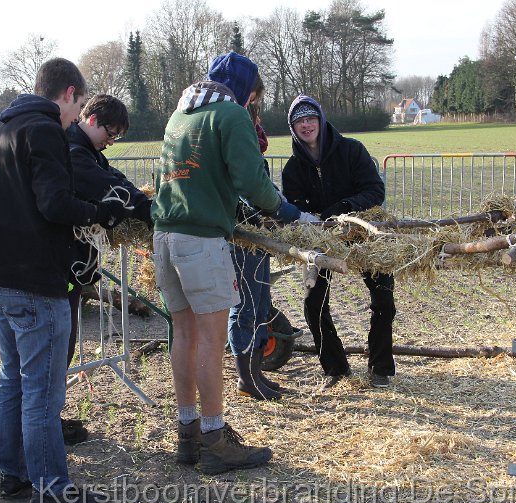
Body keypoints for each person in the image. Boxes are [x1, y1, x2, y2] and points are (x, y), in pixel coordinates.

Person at [0, 58, 128, 503]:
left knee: (15, 382)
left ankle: (14, 472)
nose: (75, 113)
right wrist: (100, 212)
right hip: (33, 280)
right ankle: (51, 485)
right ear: (68, 94)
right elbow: (54, 203)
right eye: (78, 102)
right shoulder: (43, 131)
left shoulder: (2, 131)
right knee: (42, 388)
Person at [152, 51, 303, 475]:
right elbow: (251, 181)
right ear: (246, 90)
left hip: (164, 234)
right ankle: (216, 441)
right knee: (211, 341)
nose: (254, 103)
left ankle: (188, 434)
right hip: (201, 239)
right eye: (254, 95)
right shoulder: (230, 113)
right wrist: (285, 210)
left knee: (183, 335)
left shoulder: (180, 114)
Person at [281, 95, 396, 389]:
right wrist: (312, 218)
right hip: (319, 241)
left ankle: (380, 366)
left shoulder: (352, 150)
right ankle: (335, 367)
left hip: (363, 233)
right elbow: (294, 206)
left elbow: (374, 190)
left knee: (383, 296)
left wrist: (342, 208)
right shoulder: (293, 169)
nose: (306, 125)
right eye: (299, 121)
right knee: (314, 302)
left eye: (310, 118)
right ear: (293, 128)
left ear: (320, 119)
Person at [62, 94, 152, 444]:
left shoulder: (90, 152)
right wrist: (145, 211)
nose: (111, 142)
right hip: (64, 266)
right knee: (58, 348)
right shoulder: (74, 151)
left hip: (74, 270)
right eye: (110, 133)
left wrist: (144, 202)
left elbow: (117, 179)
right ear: (93, 119)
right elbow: (106, 187)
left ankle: (50, 416)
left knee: (65, 345)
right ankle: (45, 422)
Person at [227, 103, 317, 401]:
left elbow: (266, 191)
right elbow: (250, 196)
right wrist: (284, 214)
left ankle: (256, 374)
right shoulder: (236, 149)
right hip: (242, 239)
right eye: (256, 120)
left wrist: (282, 215)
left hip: (260, 239)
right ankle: (246, 378)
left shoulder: (254, 153)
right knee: (245, 308)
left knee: (260, 304)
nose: (260, 124)